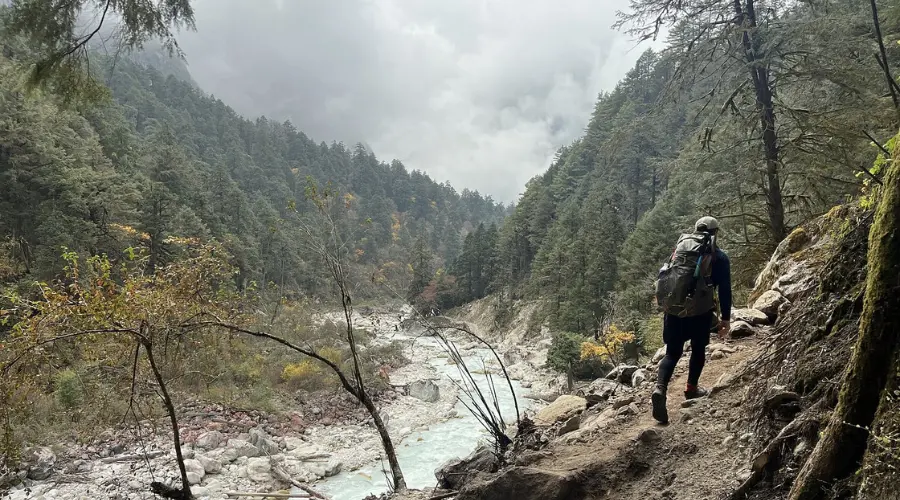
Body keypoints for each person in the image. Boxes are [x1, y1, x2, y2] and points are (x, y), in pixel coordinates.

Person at [652, 216, 732, 424]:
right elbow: (724, 290)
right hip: (699, 312)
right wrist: (725, 319)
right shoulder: (719, 257)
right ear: (716, 233)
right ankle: (691, 389)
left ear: (696, 230)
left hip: (674, 310)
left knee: (672, 353)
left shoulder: (679, 251)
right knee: (698, 349)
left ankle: (660, 388)